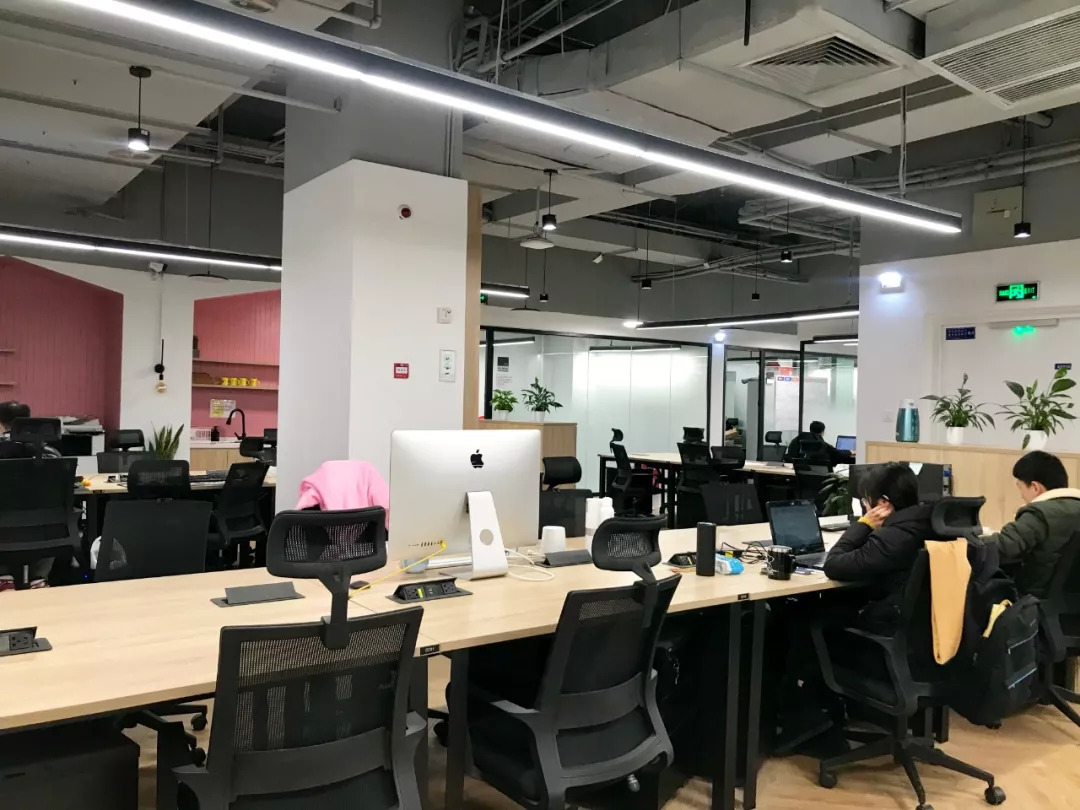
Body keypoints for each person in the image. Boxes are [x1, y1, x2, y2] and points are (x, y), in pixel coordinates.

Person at [823, 463, 942, 633]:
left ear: (883, 503)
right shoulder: (933, 524)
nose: (865, 507)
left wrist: (864, 524)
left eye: (866, 500)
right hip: (928, 625)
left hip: (886, 622)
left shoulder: (892, 537)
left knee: (806, 612)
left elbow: (833, 565)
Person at [982, 451, 1080, 598]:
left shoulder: (1040, 513)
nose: (1021, 496)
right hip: (1070, 603)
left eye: (1020, 488)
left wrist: (966, 542)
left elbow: (1004, 546)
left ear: (1035, 487)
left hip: (1034, 601)